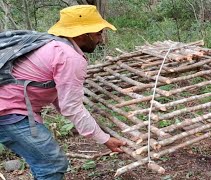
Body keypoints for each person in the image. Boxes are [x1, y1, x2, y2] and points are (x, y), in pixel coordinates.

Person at [0, 5, 126, 179]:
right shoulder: (69, 57)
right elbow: (71, 106)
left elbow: (60, 98)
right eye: (98, 33)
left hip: (10, 108)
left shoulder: (52, 44)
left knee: (45, 162)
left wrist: (96, 132)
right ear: (83, 34)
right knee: (51, 164)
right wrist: (103, 139)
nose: (101, 39)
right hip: (9, 111)